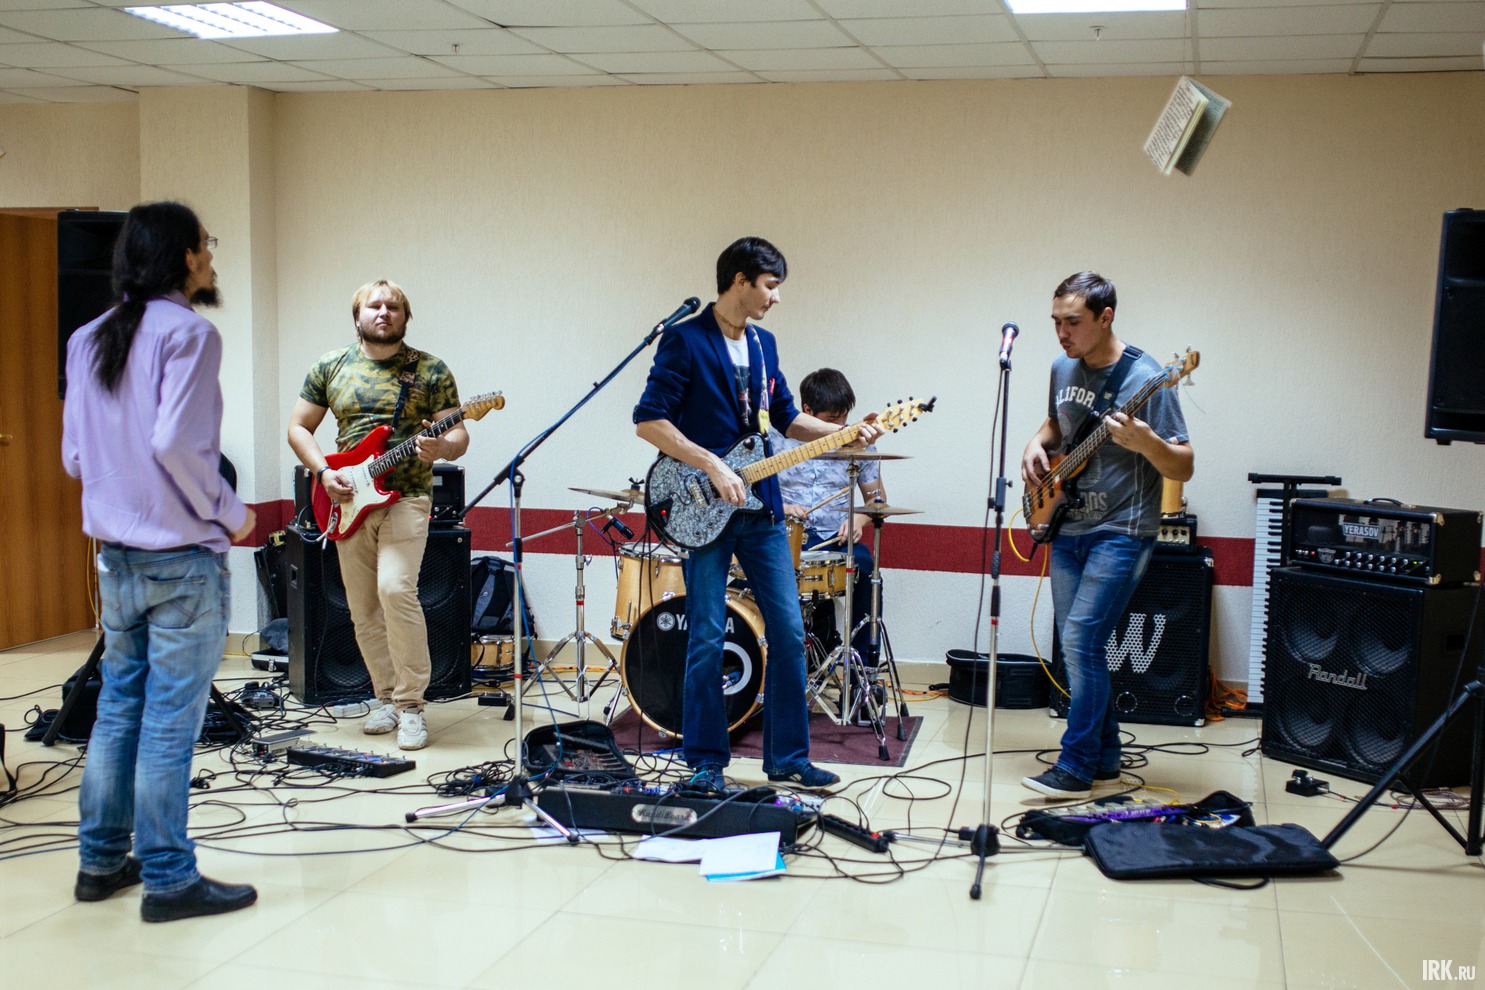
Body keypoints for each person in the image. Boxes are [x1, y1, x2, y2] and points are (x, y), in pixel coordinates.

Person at [62, 201, 259, 922]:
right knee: (170, 720)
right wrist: (232, 513)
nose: (212, 256)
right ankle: (170, 879)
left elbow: (74, 456)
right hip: (180, 561)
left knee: (119, 707)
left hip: (115, 559)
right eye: (207, 244)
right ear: (183, 256)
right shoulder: (189, 333)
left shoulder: (86, 337)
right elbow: (176, 442)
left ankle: (99, 864)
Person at [634, 237, 881, 791]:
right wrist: (710, 464)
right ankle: (705, 762)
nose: (776, 297)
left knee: (790, 633)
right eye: (770, 286)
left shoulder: (764, 344)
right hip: (705, 506)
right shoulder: (685, 339)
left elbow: (787, 418)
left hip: (761, 508)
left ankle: (789, 757)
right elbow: (649, 420)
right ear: (740, 281)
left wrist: (845, 434)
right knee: (705, 635)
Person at [1020, 271, 1193, 800]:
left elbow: (1183, 465)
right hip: (1067, 523)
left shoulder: (1147, 378)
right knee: (1082, 648)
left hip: (1122, 530)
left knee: (1080, 640)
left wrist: (1145, 443)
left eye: (1073, 322)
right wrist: (1034, 442)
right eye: (1056, 322)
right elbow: (1058, 424)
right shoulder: (1061, 367)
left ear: (1105, 317)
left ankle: (1074, 766)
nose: (1062, 333)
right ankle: (1106, 760)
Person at [287, 280, 466, 751]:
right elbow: (298, 427)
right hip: (348, 498)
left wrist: (443, 448)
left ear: (406, 317)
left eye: (394, 307)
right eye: (374, 306)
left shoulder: (429, 369)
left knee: (395, 590)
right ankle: (385, 697)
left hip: (407, 496)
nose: (384, 312)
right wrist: (324, 472)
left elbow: (459, 435)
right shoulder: (331, 365)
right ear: (358, 316)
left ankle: (411, 706)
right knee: (363, 608)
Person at [775, 368, 888, 667]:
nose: (841, 426)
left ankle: (862, 668)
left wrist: (858, 519)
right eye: (832, 419)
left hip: (834, 539)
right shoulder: (774, 439)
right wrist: (782, 508)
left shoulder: (860, 444)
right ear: (807, 410)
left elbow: (877, 501)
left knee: (866, 570)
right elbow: (749, 493)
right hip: (785, 537)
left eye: (844, 417)